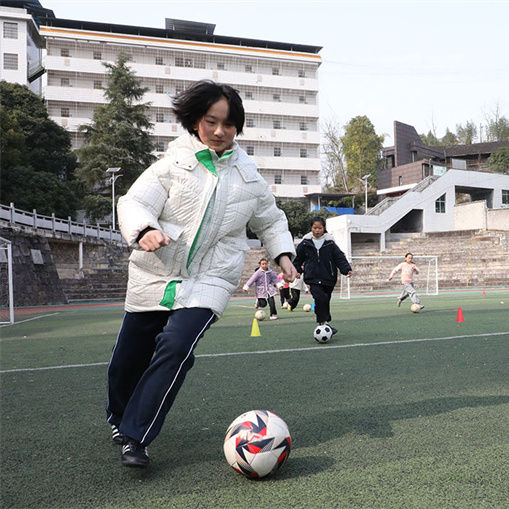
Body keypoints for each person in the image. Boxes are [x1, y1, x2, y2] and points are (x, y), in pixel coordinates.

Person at [107, 80, 296, 468]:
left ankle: (136, 436)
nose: (220, 131)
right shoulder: (172, 165)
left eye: (229, 124)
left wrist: (283, 254)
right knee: (128, 360)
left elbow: (271, 219)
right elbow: (134, 202)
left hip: (212, 277)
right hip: (155, 273)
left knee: (178, 346)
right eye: (212, 121)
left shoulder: (249, 176)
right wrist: (143, 230)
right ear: (195, 121)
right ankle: (120, 417)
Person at [293, 217, 352, 335]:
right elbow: (298, 259)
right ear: (311, 228)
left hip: (328, 278)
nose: (317, 230)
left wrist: (346, 269)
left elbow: (339, 257)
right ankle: (323, 323)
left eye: (319, 228)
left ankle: (324, 322)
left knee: (325, 300)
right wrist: (297, 270)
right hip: (312, 278)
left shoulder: (330, 243)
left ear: (324, 228)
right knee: (320, 298)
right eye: (314, 228)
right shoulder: (305, 243)